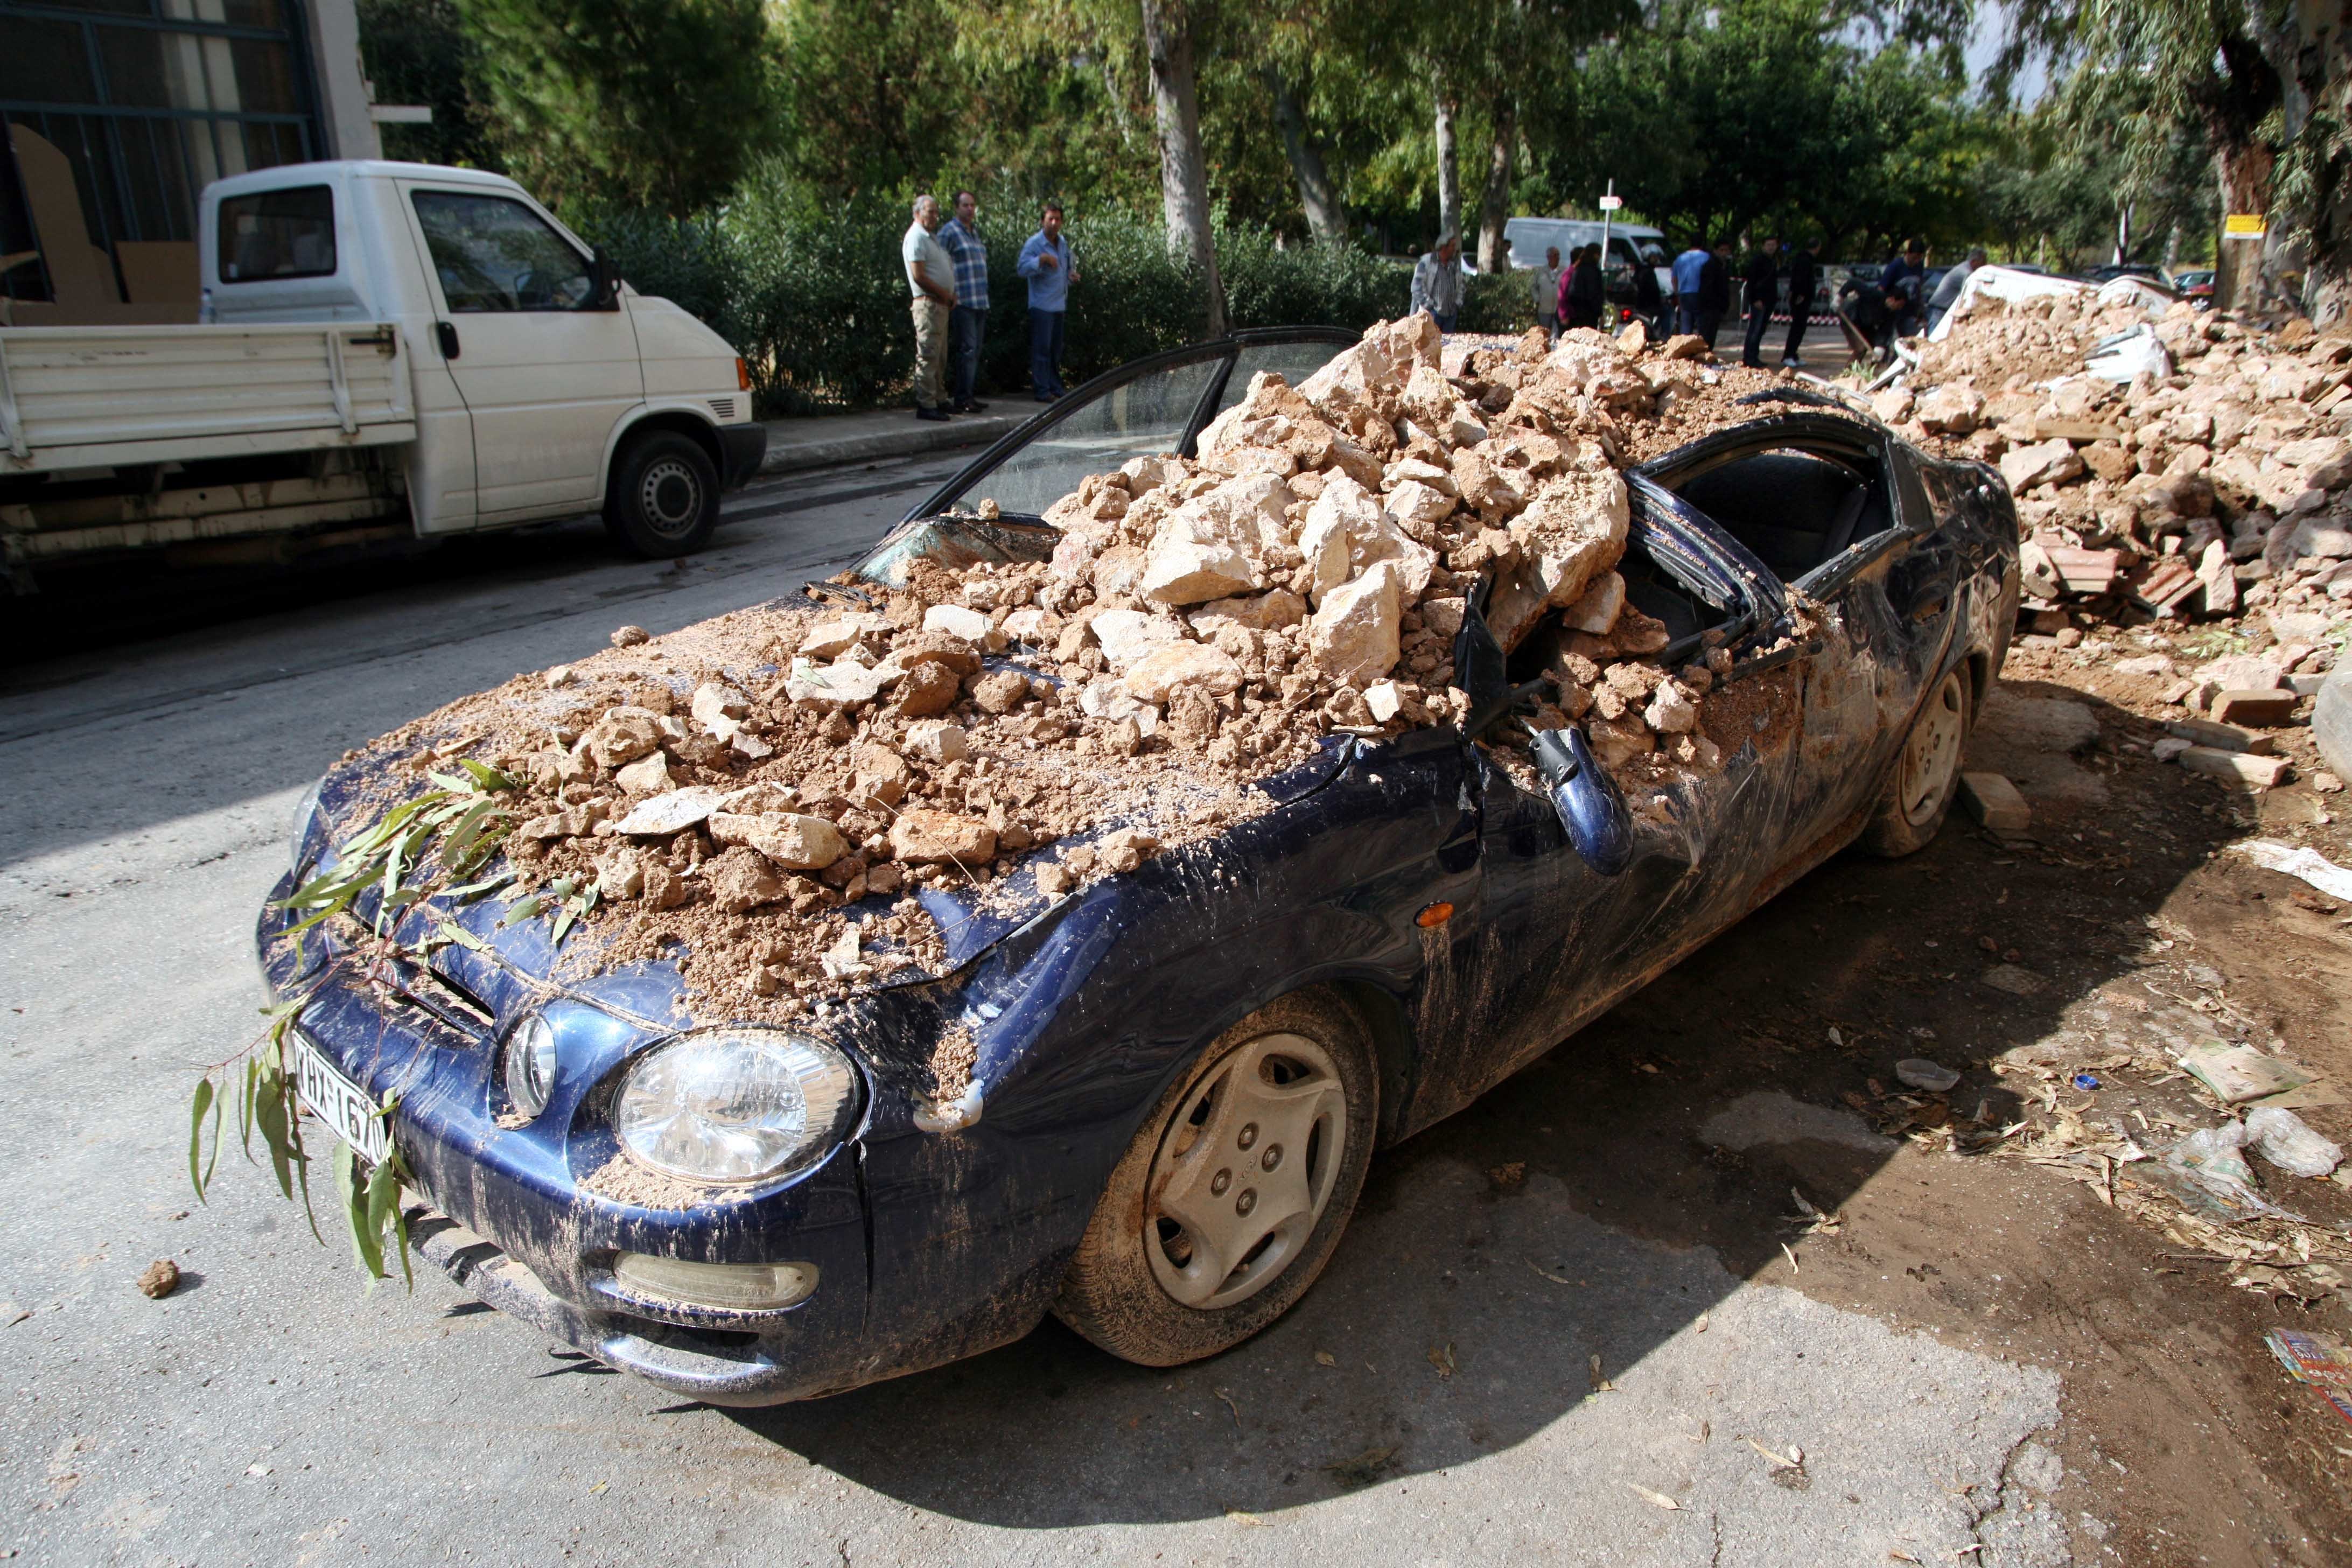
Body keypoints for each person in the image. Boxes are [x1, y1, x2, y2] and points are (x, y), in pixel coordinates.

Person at [1016, 201, 1079, 401]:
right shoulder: (1035, 244)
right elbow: (1021, 269)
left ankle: (1055, 387)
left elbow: (1066, 269)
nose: (1054, 223)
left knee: (1055, 351)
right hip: (1042, 306)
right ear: (1042, 220)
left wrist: (1072, 276)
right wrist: (1041, 260)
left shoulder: (1062, 243)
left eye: (1058, 219)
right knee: (1042, 350)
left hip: (1059, 304)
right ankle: (1042, 390)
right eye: (1050, 219)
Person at [902, 193, 957, 422]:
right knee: (929, 354)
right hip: (928, 304)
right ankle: (926, 403)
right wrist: (945, 293)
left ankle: (939, 399)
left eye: (936, 212)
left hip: (940, 304)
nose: (934, 216)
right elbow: (919, 276)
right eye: (929, 212)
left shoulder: (929, 237)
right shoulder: (916, 236)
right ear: (917, 213)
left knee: (940, 355)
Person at [936, 190, 990, 415]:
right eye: (965, 205)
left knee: (975, 350)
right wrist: (950, 292)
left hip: (980, 300)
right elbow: (939, 262)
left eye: (972, 205)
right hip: (963, 301)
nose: (970, 209)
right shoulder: (949, 232)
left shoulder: (974, 232)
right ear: (957, 208)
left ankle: (968, 395)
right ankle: (962, 398)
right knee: (967, 349)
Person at [1740, 234, 1781, 368]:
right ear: (1763, 246)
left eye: (1773, 245)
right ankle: (1749, 357)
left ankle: (1754, 356)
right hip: (1759, 300)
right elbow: (1751, 281)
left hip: (1769, 300)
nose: (1771, 248)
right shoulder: (1757, 261)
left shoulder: (1773, 261)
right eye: (1768, 245)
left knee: (1761, 329)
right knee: (1755, 329)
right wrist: (1755, 298)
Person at [1927, 246, 1986, 334]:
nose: (1984, 265)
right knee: (1934, 336)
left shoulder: (1963, 267)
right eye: (1983, 262)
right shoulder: (1967, 273)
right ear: (1974, 261)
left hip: (1939, 308)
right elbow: (1967, 296)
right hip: (1939, 310)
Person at [1411, 232, 1463, 330]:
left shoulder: (1454, 265)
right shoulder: (1427, 262)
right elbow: (1417, 288)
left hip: (1450, 316)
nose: (1455, 249)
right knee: (1429, 344)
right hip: (1431, 315)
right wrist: (1430, 307)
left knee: (1447, 344)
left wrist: (1457, 304)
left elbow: (1461, 286)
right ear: (1444, 247)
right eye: (1452, 246)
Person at [1880, 239, 1929, 338]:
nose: (1916, 261)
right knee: (1889, 341)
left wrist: (1921, 309)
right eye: (1914, 258)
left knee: (1909, 339)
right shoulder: (1896, 266)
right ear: (1908, 253)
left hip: (1910, 311)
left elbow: (1918, 288)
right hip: (1894, 311)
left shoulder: (1919, 266)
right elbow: (1881, 289)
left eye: (1919, 258)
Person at [1781, 237, 1817, 367]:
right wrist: (1801, 294)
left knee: (1800, 328)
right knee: (1797, 328)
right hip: (1800, 298)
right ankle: (1788, 355)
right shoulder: (1804, 260)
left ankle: (1794, 354)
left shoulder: (1804, 259)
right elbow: (1801, 278)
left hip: (1802, 297)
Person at [1695, 238, 1732, 348]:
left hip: (1717, 307)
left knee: (1711, 336)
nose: (1724, 253)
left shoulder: (1724, 266)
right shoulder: (1711, 266)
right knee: (1706, 336)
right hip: (1709, 307)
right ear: (1716, 251)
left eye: (1727, 250)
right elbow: (1707, 288)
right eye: (1722, 250)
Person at [1672, 237, 1710, 335]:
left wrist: (1677, 294)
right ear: (1702, 244)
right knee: (1703, 326)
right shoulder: (1707, 257)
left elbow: (1674, 279)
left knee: (1686, 325)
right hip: (1700, 294)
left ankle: (1684, 347)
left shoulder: (1680, 258)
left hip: (1684, 294)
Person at [1563, 243, 1605, 330]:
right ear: (1595, 255)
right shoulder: (1593, 271)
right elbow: (1593, 294)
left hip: (1575, 312)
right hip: (1589, 314)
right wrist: (1599, 313)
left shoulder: (1578, 268)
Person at [1530, 243, 1562, 339]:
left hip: (1559, 308)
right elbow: (1533, 287)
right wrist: (1537, 299)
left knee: (1556, 335)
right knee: (1543, 333)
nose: (1557, 258)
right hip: (1544, 308)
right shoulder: (1541, 271)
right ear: (1548, 257)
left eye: (1558, 255)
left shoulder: (1564, 271)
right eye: (1554, 255)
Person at [1631, 247, 1664, 338]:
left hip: (1641, 304)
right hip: (1648, 305)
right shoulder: (1648, 272)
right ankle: (1662, 335)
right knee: (1666, 312)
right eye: (1654, 257)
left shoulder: (1639, 269)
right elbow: (1653, 290)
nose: (1656, 259)